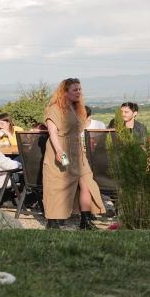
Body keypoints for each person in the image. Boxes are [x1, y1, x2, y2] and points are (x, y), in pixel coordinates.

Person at [43, 78, 101, 230]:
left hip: (77, 152)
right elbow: (53, 132)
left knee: (87, 184)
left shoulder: (77, 108)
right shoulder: (54, 109)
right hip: (61, 151)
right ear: (65, 92)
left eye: (80, 89)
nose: (79, 92)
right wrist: (59, 151)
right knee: (58, 184)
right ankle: (53, 221)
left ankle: (86, 221)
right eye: (75, 90)